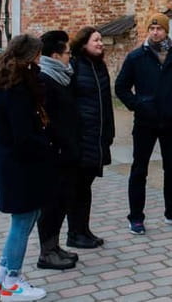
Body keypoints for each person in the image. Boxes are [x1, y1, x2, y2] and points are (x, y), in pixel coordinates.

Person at [0, 34, 54, 301]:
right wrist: (46, 146)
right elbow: (24, 135)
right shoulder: (15, 89)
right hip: (21, 165)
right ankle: (13, 282)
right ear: (27, 56)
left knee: (25, 218)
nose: (39, 60)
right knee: (23, 220)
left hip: (9, 162)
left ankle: (0, 276)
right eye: (36, 55)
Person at [115, 13, 172, 234]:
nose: (155, 32)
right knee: (139, 169)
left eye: (159, 28)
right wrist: (138, 105)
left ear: (166, 31)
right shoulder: (136, 57)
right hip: (145, 122)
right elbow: (121, 87)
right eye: (151, 28)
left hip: (170, 122)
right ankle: (136, 217)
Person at [35, 30, 81, 270]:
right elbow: (47, 121)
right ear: (55, 55)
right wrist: (60, 144)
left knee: (63, 201)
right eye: (67, 54)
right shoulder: (46, 80)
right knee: (52, 204)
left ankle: (54, 246)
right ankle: (46, 252)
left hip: (67, 150)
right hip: (56, 153)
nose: (69, 58)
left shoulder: (62, 77)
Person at [67, 26, 115, 248]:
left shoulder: (99, 66)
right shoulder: (75, 66)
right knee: (78, 187)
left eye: (101, 40)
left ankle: (83, 230)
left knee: (85, 187)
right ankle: (74, 234)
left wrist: (109, 132)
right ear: (83, 43)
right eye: (96, 40)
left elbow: (106, 103)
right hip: (82, 137)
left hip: (97, 136)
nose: (100, 44)